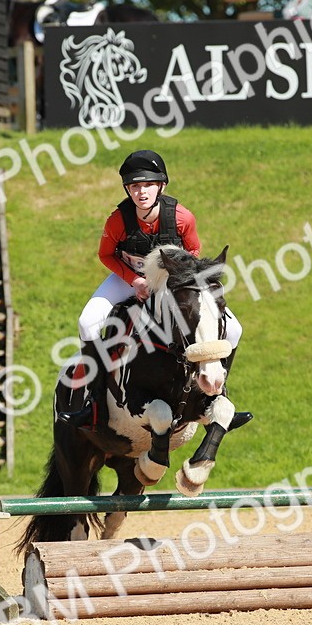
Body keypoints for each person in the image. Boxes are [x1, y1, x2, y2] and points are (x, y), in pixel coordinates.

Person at [60, 150, 243, 427]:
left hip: (171, 283)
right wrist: (135, 280)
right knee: (86, 323)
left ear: (161, 186)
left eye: (147, 184)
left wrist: (173, 281)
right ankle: (94, 403)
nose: (141, 191)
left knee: (233, 329)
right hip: (128, 279)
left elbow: (193, 250)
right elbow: (106, 255)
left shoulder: (182, 217)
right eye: (134, 186)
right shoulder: (118, 221)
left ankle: (218, 397)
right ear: (127, 190)